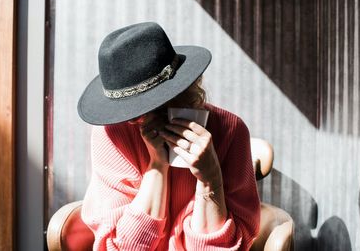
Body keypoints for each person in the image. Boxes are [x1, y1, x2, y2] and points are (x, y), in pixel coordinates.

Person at [77, 22, 260, 250]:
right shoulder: (111, 134)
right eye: (130, 112)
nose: (138, 119)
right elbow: (122, 247)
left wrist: (210, 178)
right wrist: (156, 166)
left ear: (183, 86)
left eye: (154, 103)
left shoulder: (230, 129)